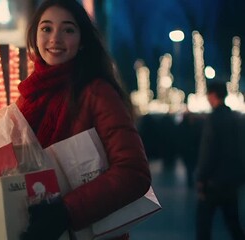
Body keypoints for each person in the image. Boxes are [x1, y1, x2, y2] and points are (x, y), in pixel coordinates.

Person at [16, 0, 151, 239]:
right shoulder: (29, 96)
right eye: (46, 28)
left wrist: (66, 211)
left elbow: (134, 172)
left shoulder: (97, 92)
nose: (55, 38)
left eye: (68, 29)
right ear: (34, 35)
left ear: (81, 42)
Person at [195, 81, 245, 240]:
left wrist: (201, 178)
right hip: (231, 180)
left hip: (213, 182)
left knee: (203, 224)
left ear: (213, 95)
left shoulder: (212, 119)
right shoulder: (235, 118)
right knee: (233, 223)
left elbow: (207, 151)